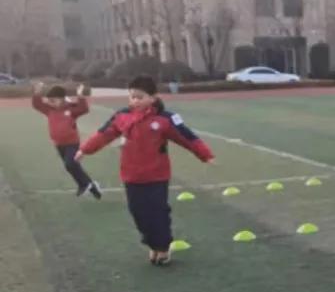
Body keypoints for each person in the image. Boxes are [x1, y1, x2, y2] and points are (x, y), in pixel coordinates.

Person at [77, 76, 214, 265]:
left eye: (139, 97)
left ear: (153, 97)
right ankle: (152, 244)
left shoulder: (165, 119)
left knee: (157, 212)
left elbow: (187, 137)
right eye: (132, 97)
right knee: (138, 212)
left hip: (157, 175)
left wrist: (205, 155)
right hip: (131, 176)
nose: (135, 101)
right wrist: (85, 149)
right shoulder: (121, 116)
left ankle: (163, 248)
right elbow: (103, 134)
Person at [31, 82, 102, 199]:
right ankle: (92, 188)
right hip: (59, 144)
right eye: (50, 100)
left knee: (70, 164)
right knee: (72, 166)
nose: (51, 102)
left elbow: (84, 108)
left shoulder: (70, 109)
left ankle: (84, 185)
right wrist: (37, 92)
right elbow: (36, 104)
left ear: (62, 99)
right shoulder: (49, 110)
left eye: (54, 100)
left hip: (72, 143)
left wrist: (80, 95)